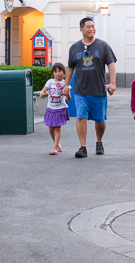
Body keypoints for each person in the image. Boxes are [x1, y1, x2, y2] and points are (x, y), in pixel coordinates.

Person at [63, 17, 117, 158]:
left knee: (100, 120)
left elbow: (111, 65)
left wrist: (113, 82)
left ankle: (99, 142)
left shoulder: (103, 46)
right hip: (80, 90)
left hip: (98, 90)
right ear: (81, 29)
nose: (91, 29)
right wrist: (66, 85)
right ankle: (83, 147)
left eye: (93, 26)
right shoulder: (74, 48)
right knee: (81, 117)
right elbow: (70, 68)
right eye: (88, 26)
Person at [38, 62, 69, 155]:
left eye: (60, 71)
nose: (58, 73)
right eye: (56, 72)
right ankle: (57, 145)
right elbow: (44, 90)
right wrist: (42, 93)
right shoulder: (50, 81)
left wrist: (67, 95)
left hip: (60, 108)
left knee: (57, 128)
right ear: (53, 73)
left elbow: (69, 98)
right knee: (51, 129)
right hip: (50, 108)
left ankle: (55, 148)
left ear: (64, 72)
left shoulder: (65, 83)